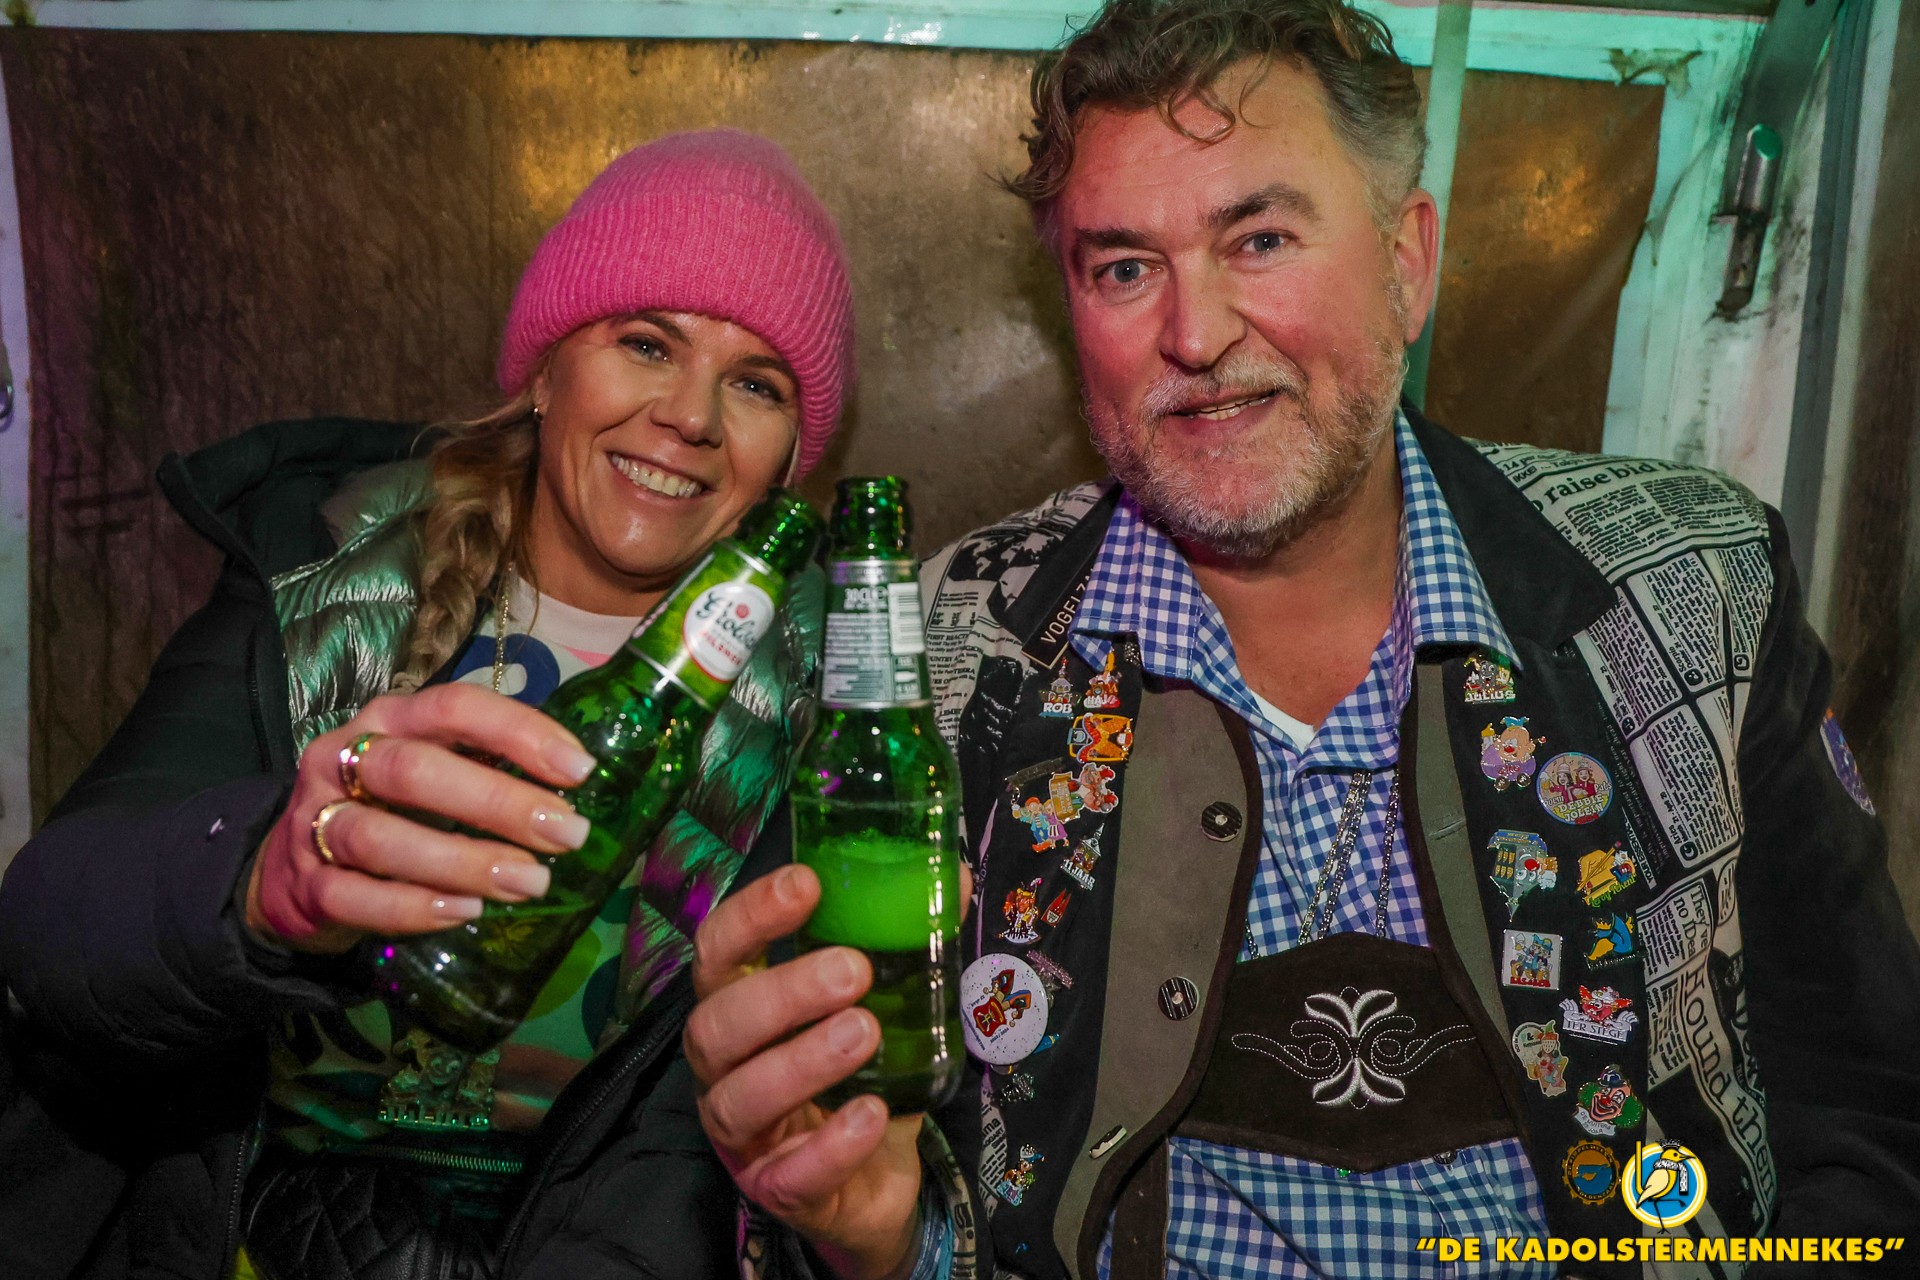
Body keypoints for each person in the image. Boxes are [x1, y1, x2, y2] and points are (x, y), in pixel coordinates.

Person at [683, 2, 1920, 1277]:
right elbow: (910, 1202)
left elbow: (1869, 1112)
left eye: (1260, 238)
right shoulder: (939, 673)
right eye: (1125, 267)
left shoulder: (1691, 586)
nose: (1197, 333)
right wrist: (876, 1239)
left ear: (1408, 260)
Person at [0, 127, 854, 1280]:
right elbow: (53, 920)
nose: (691, 415)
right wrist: (260, 883)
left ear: (794, 456)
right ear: (545, 371)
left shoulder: (827, 706)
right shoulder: (323, 568)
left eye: (755, 382)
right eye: (647, 343)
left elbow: (693, 1173)